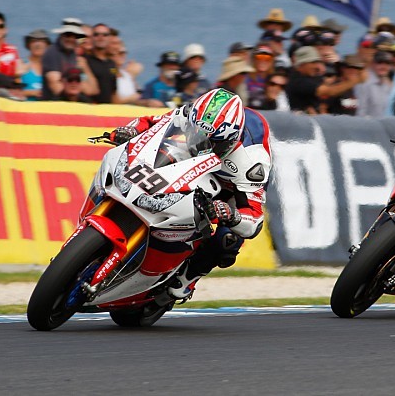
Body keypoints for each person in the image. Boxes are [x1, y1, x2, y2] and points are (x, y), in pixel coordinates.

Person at [107, 88, 272, 299]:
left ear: (230, 140)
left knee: (228, 238)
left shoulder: (252, 162)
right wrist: (128, 131)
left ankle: (187, 279)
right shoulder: (189, 115)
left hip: (228, 185)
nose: (203, 143)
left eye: (212, 141)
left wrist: (231, 214)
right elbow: (149, 123)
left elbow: (255, 219)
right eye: (198, 134)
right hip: (187, 159)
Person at [41, 23, 90, 100]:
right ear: (61, 35)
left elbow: (91, 90)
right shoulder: (52, 52)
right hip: (54, 103)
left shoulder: (72, 52)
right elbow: (55, 85)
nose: (71, 39)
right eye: (68, 35)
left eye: (75, 36)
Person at [83, 23, 118, 104]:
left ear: (109, 38)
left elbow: (114, 91)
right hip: (89, 109)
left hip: (107, 111)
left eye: (105, 35)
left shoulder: (112, 64)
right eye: (96, 34)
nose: (100, 38)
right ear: (91, 38)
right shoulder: (84, 61)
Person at [355, 50, 394, 117]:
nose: (383, 66)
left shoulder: (387, 85)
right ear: (372, 64)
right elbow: (359, 112)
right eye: (379, 62)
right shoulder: (364, 83)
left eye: (387, 63)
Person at [20, 29, 51, 101]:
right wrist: (33, 93)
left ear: (48, 45)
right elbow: (12, 93)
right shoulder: (21, 64)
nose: (37, 44)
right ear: (28, 45)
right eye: (34, 41)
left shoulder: (52, 67)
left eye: (41, 41)